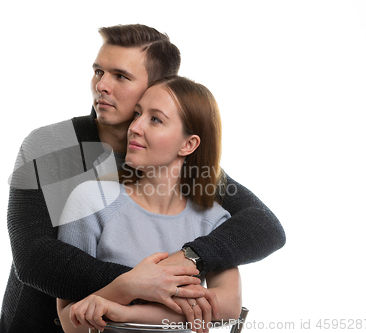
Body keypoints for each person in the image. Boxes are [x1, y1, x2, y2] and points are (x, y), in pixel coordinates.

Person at [0, 24, 285, 333]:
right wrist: (148, 284)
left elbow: (264, 225)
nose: (101, 86)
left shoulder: (184, 164)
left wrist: (192, 258)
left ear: (158, 86)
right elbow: (34, 258)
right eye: (98, 72)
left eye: (120, 76)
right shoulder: (49, 146)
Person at [57, 76, 242, 333]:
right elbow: (69, 320)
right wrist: (130, 285)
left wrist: (123, 311)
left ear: (189, 144)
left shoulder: (212, 219)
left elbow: (230, 306)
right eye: (137, 114)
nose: (134, 127)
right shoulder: (90, 200)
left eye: (155, 119)